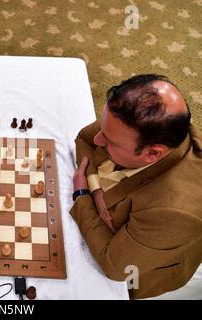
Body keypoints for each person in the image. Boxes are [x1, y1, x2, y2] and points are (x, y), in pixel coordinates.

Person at [71, 74, 202, 299]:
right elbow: (84, 138)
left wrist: (81, 194)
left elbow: (114, 266)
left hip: (143, 277)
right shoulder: (136, 121)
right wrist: (96, 190)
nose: (99, 140)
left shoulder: (172, 211)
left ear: (152, 153)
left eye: (110, 141)